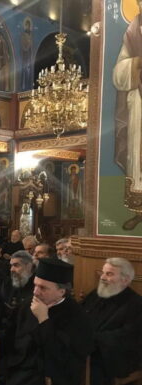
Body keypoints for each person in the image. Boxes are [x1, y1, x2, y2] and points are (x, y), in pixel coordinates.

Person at [0, 258, 94, 385]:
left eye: (43, 288)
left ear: (61, 291)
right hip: (20, 366)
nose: (35, 292)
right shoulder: (28, 304)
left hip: (52, 374)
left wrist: (43, 319)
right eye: (35, 285)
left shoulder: (76, 315)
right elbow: (9, 336)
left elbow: (60, 355)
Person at [81, 258, 142, 385]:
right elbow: (79, 317)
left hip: (118, 355)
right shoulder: (96, 294)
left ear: (125, 280)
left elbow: (127, 336)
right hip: (91, 349)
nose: (103, 277)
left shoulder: (136, 303)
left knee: (93, 375)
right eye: (103, 272)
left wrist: (94, 340)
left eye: (109, 274)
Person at [112, 0, 142, 230]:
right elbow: (118, 74)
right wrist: (137, 62)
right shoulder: (133, 34)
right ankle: (139, 210)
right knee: (137, 155)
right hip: (138, 104)